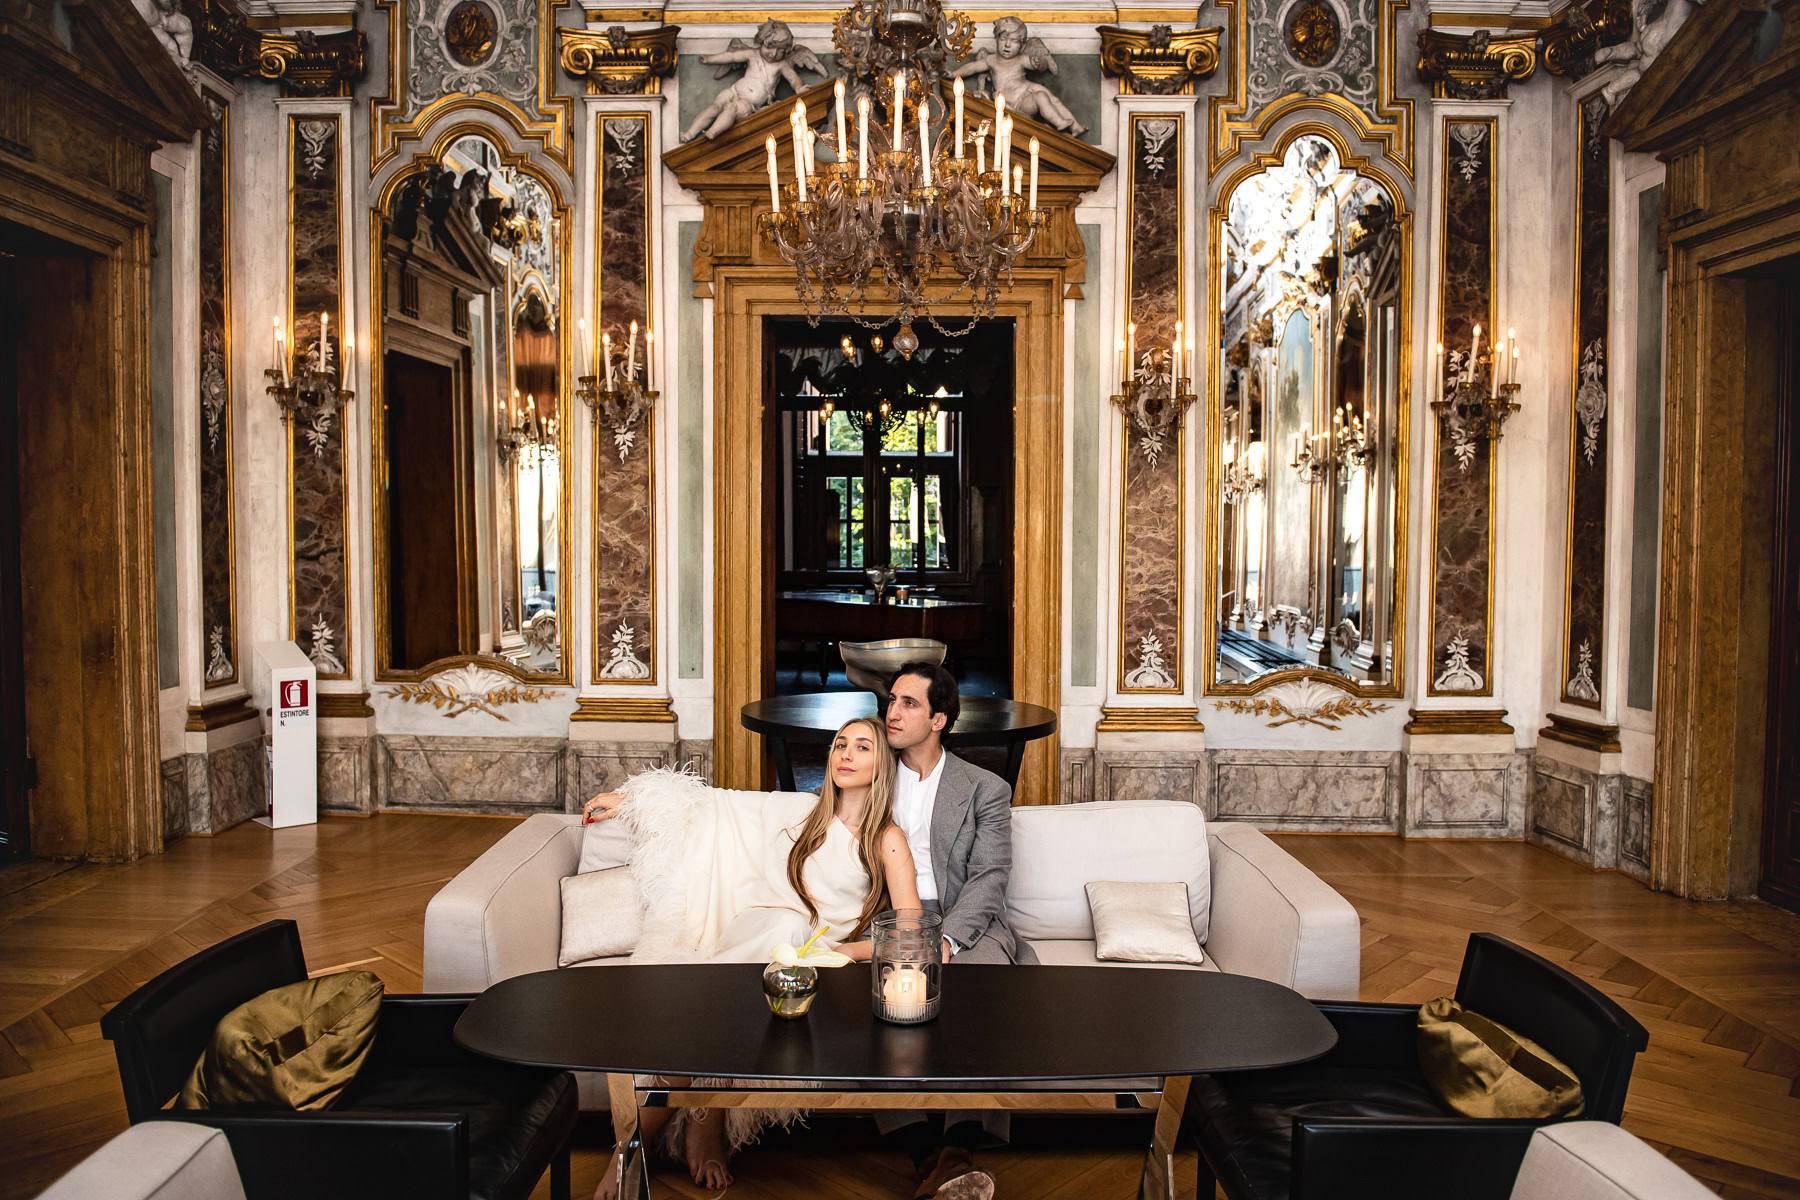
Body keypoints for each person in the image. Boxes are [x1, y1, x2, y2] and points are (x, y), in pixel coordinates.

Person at [582, 717, 921, 1199]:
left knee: (733, 994)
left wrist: (844, 951)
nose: (845, 753)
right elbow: (717, 805)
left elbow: (910, 926)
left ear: (881, 764)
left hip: (810, 959)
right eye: (839, 744)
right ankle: (656, 1138)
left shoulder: (886, 837)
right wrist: (633, 800)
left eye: (862, 747)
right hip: (761, 931)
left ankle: (648, 1139)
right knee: (777, 935)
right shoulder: (804, 811)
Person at [878, 661, 1034, 1200]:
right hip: (890, 916)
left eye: (909, 704)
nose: (892, 713)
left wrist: (945, 941)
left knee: (977, 1001)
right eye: (892, 700)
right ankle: (937, 1155)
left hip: (966, 917)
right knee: (885, 1005)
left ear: (939, 718)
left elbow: (991, 876)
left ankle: (957, 1144)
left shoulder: (985, 787)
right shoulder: (872, 773)